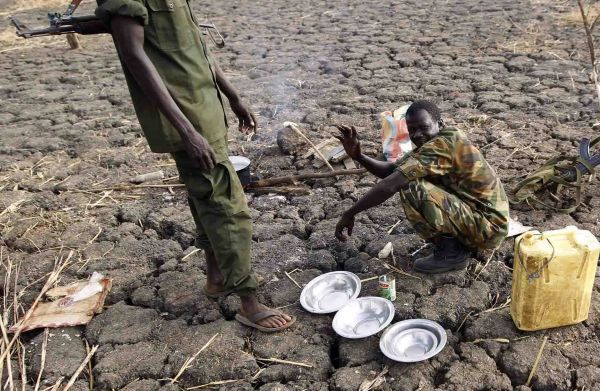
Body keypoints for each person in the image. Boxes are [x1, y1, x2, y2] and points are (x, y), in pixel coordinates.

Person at [95, 0, 293, 332]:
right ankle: (249, 302)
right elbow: (133, 55)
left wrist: (232, 95)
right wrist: (187, 130)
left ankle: (216, 277)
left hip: (204, 107)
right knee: (227, 205)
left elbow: (193, 47)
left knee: (205, 193)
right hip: (186, 115)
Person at [335, 100, 509, 273]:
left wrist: (349, 213)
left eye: (423, 127)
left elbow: (390, 184)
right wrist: (359, 156)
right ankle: (456, 243)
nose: (417, 135)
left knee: (411, 185)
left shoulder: (444, 145)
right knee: (407, 177)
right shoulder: (435, 143)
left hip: (489, 229)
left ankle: (453, 255)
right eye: (412, 131)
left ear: (440, 124)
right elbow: (391, 170)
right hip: (479, 220)